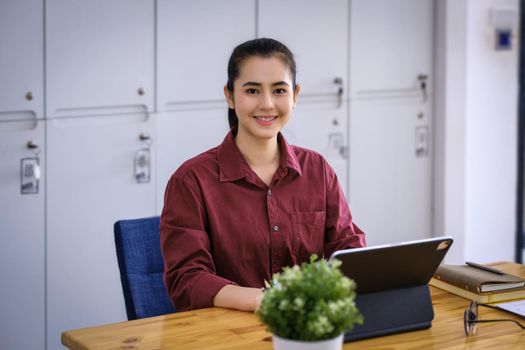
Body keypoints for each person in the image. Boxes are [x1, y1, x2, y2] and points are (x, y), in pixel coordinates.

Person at [160, 38, 366, 313]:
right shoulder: (190, 181)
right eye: (252, 90)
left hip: (308, 327)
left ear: (295, 96)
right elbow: (187, 279)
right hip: (226, 333)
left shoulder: (317, 169)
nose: (267, 104)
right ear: (230, 96)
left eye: (279, 90)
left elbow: (349, 250)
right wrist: (270, 301)